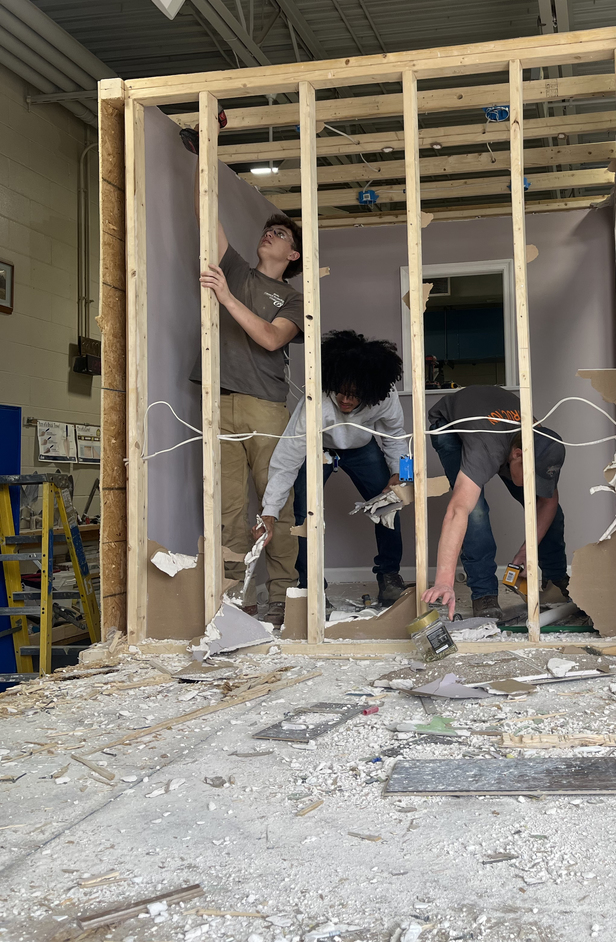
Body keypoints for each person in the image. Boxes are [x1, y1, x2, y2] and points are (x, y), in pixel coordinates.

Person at [187, 127, 304, 628]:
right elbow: (205, 217)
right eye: (268, 231)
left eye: (280, 235)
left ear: (292, 256)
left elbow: (272, 339)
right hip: (220, 401)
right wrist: (206, 157)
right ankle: (233, 598)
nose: (269, 235)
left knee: (274, 506)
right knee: (229, 509)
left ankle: (281, 596)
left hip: (266, 407)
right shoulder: (234, 267)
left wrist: (225, 298)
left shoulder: (294, 300)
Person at [259, 330, 409, 608]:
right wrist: (269, 510)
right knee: (303, 514)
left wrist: (402, 476)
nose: (346, 401)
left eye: (355, 396)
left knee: (391, 502)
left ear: (370, 392)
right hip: (319, 448)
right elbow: (287, 457)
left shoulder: (384, 395)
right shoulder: (316, 403)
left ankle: (389, 576)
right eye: (341, 392)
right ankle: (311, 585)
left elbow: (395, 435)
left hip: (362, 448)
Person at [423, 384, 568, 621]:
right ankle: (484, 594)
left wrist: (525, 552)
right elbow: (457, 511)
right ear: (517, 455)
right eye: (531, 477)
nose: (533, 484)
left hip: (502, 431)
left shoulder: (543, 444)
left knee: (553, 512)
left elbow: (548, 503)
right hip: (450, 427)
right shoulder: (485, 450)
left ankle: (557, 581)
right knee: (475, 513)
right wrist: (444, 581)